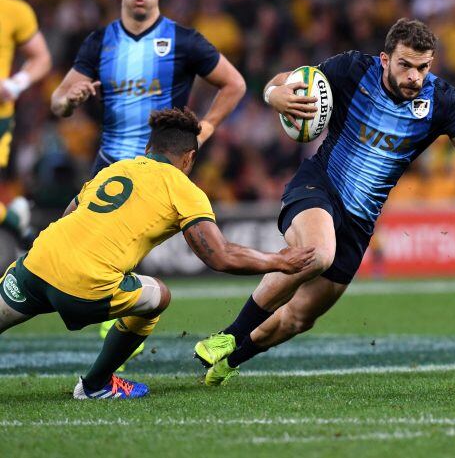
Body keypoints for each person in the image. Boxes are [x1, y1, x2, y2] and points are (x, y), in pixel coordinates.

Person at [193, 17, 455, 386]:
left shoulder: (440, 101)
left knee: (297, 319)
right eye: (405, 65)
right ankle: (228, 335)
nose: (414, 76)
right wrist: (274, 93)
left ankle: (231, 359)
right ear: (385, 59)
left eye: (423, 67)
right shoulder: (351, 70)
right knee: (317, 253)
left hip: (361, 221)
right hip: (319, 187)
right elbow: (291, 80)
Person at [0, 108, 314, 399]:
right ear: (189, 158)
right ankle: (96, 385)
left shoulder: (116, 168)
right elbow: (220, 255)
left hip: (35, 263)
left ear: (149, 148)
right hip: (84, 285)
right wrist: (279, 261)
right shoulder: (182, 188)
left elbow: (70, 214)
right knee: (158, 296)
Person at [49, 0, 246, 350]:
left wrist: (203, 131)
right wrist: (71, 101)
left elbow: (235, 84)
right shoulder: (99, 43)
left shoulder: (184, 40)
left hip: (160, 167)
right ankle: (98, 310)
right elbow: (57, 101)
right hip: (110, 163)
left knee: (137, 244)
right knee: (71, 240)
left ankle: (122, 321)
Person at [0, 0, 52, 246]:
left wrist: (15, 84)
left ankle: (20, 229)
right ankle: (18, 225)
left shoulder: (13, 10)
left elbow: (41, 57)